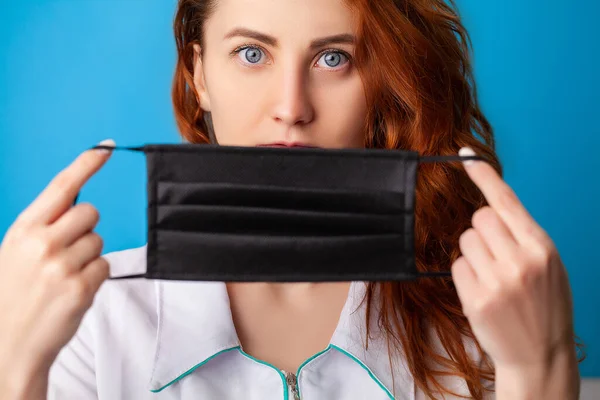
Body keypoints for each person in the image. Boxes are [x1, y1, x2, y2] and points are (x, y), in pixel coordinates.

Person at [0, 0, 584, 399]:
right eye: (252, 53)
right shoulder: (91, 322)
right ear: (198, 73)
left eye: (335, 58)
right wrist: (14, 365)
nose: (291, 107)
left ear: (380, 85)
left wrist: (538, 367)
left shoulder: (482, 321)